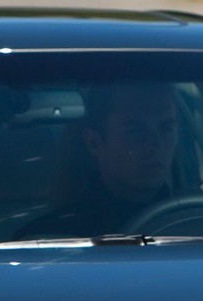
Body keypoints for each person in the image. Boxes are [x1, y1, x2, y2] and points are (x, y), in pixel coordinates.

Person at [28, 80, 182, 238]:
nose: (156, 145)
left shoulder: (199, 219)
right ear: (94, 143)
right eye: (135, 132)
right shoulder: (52, 239)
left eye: (166, 128)